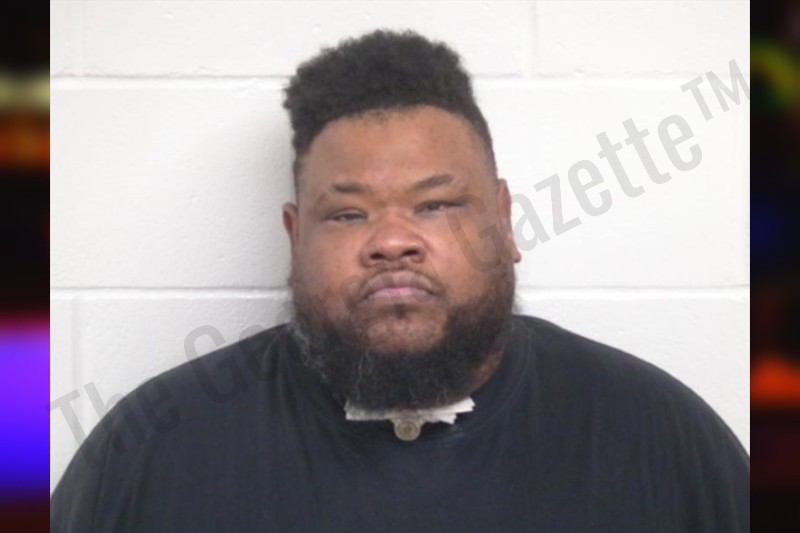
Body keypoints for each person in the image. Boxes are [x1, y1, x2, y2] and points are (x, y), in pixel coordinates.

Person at [51, 30, 749, 532]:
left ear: (504, 221)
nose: (391, 241)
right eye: (347, 213)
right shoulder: (147, 451)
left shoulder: (662, 438)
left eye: (436, 205)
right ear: (295, 237)